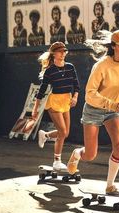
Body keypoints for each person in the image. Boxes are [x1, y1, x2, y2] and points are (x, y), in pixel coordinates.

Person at [67, 30, 119, 195]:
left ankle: (110, 185)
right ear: (113, 46)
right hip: (93, 109)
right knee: (90, 155)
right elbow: (90, 93)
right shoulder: (101, 65)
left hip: (113, 112)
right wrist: (110, 103)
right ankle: (76, 154)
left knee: (118, 146)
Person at [32, 42, 80, 170]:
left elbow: (76, 85)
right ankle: (57, 161)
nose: (63, 53)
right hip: (54, 102)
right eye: (60, 51)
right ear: (54, 53)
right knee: (62, 131)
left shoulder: (70, 67)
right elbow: (41, 91)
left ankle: (45, 135)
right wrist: (35, 109)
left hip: (66, 101)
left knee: (65, 133)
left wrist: (75, 97)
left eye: (64, 51)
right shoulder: (50, 71)